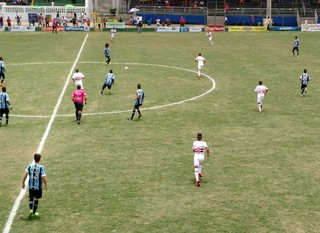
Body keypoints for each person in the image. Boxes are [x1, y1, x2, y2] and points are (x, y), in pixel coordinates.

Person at [22, 153, 48, 219]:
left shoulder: (30, 166)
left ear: (34, 159)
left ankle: (30, 209)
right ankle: (34, 212)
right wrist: (46, 185)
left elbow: (25, 175)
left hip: (31, 186)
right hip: (38, 187)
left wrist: (23, 183)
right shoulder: (41, 167)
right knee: (36, 199)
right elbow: (43, 177)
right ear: (39, 159)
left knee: (31, 197)